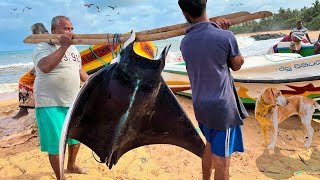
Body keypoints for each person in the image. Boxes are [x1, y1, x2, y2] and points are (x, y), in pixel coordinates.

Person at [178, 1, 248, 180]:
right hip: (221, 111)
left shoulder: (184, 43)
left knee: (209, 146)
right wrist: (225, 34)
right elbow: (236, 65)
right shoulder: (225, 36)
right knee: (222, 164)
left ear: (186, 14)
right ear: (205, 4)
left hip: (201, 108)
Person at [32, 16, 89, 179]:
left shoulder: (73, 48)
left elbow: (79, 70)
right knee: (56, 143)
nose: (70, 32)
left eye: (71, 28)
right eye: (66, 29)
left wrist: (93, 81)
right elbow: (45, 67)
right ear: (54, 30)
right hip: (50, 102)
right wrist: (64, 46)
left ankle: (71, 165)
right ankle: (60, 177)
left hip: (73, 101)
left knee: (75, 137)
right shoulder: (42, 47)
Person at [13, 23, 49, 119]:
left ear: (38, 32)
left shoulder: (45, 40)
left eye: (34, 34)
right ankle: (26, 106)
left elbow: (45, 56)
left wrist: (36, 69)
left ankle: (24, 109)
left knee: (23, 81)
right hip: (45, 64)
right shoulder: (48, 38)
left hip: (46, 65)